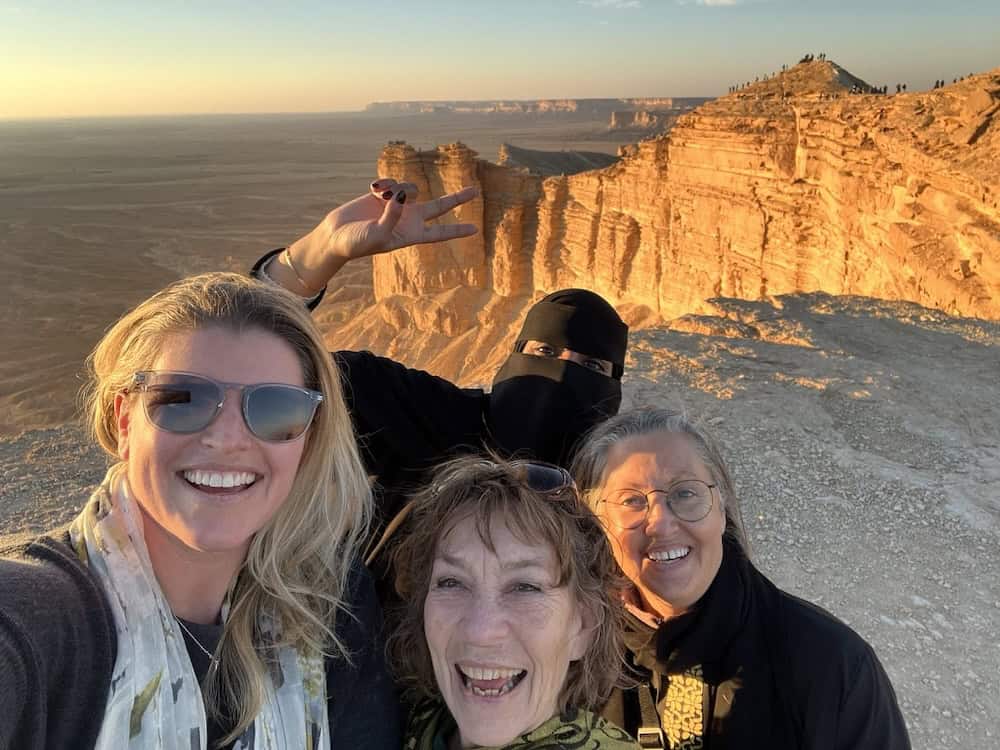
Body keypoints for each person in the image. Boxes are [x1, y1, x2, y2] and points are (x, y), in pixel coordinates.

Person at [0, 273, 400, 749]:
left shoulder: (328, 610)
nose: (227, 439)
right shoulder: (38, 622)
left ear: (307, 438)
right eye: (183, 400)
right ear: (124, 420)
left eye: (274, 409)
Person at [250, 179, 629, 555]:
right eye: (545, 351)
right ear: (515, 354)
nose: (562, 376)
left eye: (592, 366)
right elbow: (263, 376)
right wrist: (314, 257)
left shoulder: (619, 487)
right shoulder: (426, 417)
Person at [571, 409, 911, 750]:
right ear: (596, 523)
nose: (661, 523)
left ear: (722, 508)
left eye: (685, 494)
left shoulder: (833, 665)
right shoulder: (570, 654)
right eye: (631, 500)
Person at [388, 455, 639, 750]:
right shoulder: (411, 724)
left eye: (524, 587)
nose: (480, 632)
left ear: (583, 626)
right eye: (451, 582)